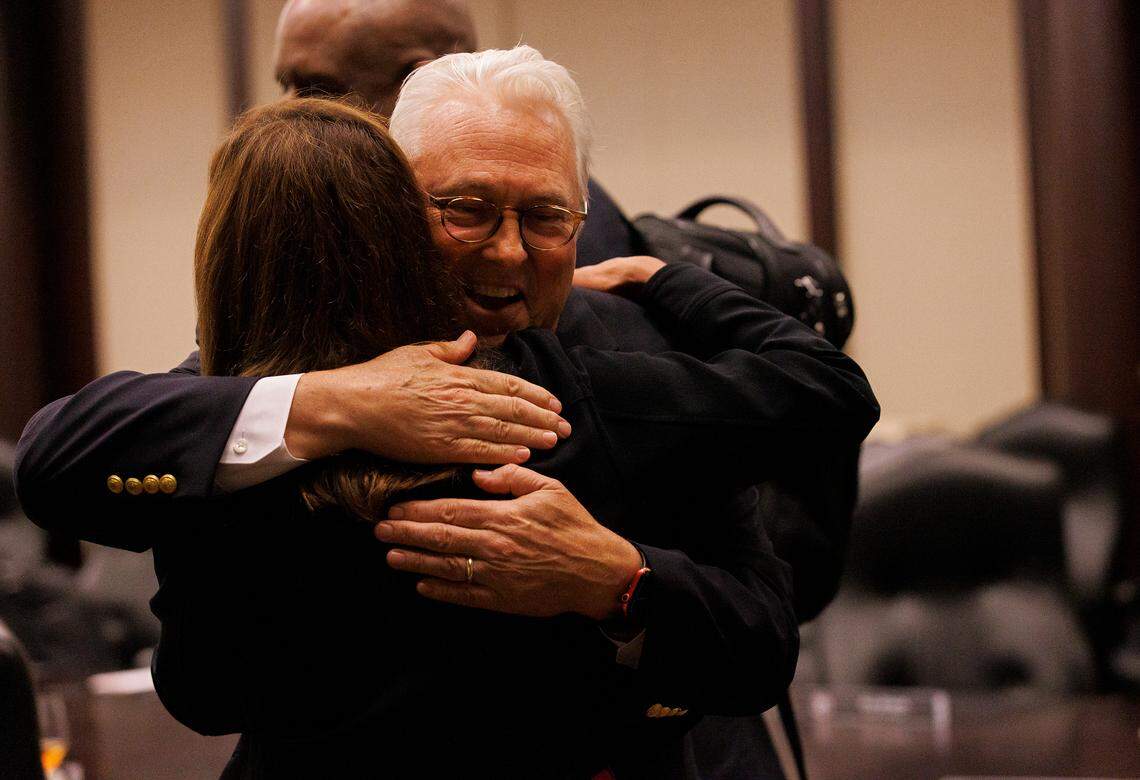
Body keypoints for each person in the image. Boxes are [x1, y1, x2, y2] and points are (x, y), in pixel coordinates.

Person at [14, 39, 872, 780]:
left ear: (581, 222)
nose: (507, 249)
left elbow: (761, 645)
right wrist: (335, 405)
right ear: (388, 212)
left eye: (544, 217)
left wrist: (619, 580)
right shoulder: (295, 366)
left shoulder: (638, 352)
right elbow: (65, 453)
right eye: (465, 210)